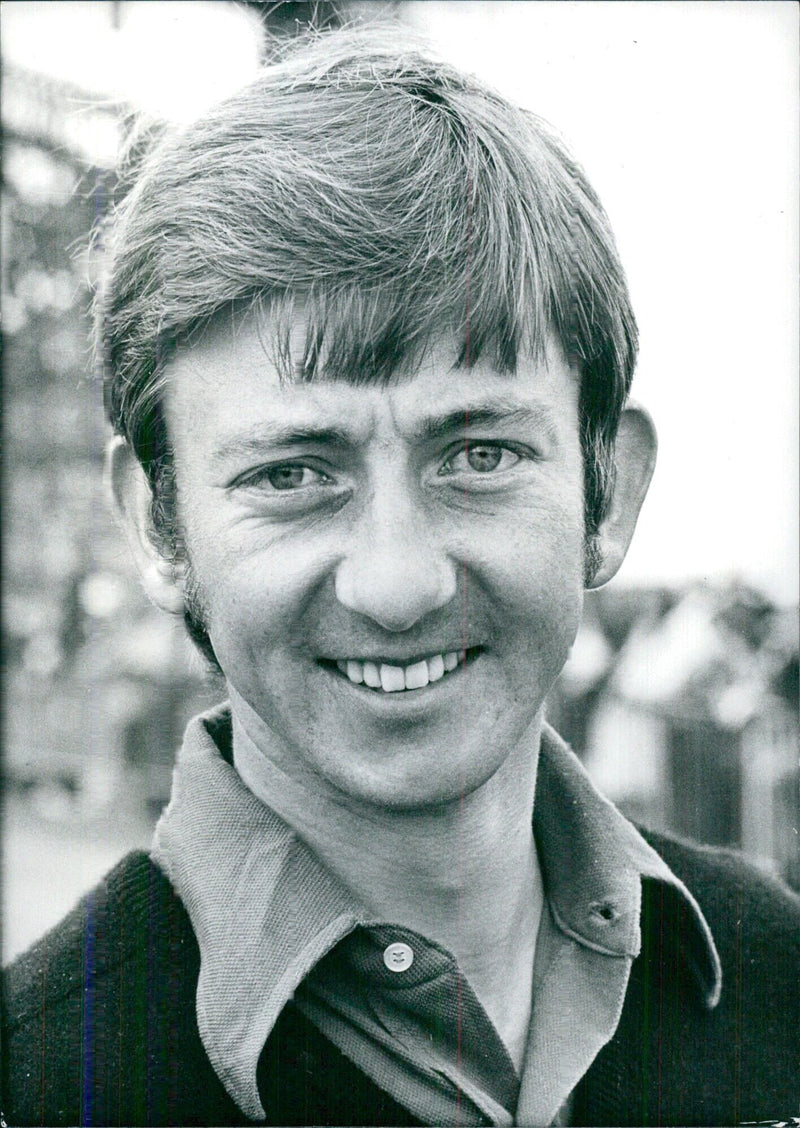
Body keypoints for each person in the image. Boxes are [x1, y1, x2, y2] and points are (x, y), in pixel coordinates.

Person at [2, 26, 798, 1128]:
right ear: (160, 523)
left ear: (606, 494)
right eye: (290, 474)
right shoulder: (43, 1085)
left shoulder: (774, 966)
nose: (395, 582)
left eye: (478, 455)